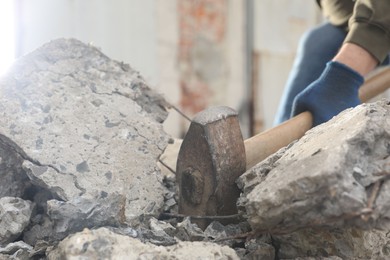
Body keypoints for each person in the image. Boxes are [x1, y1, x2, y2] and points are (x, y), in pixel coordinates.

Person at [274, 0, 390, 127]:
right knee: (317, 41)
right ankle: (282, 136)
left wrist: (342, 77)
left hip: (379, 18)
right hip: (348, 20)